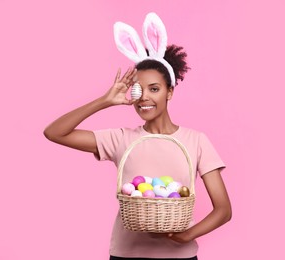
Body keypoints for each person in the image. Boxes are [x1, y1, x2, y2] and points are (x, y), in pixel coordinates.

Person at [44, 13, 231, 260]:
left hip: (179, 256)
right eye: (138, 90)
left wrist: (186, 236)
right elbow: (54, 132)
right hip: (126, 255)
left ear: (170, 92)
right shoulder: (120, 139)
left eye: (154, 89)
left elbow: (223, 210)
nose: (144, 97)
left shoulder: (196, 141)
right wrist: (104, 101)